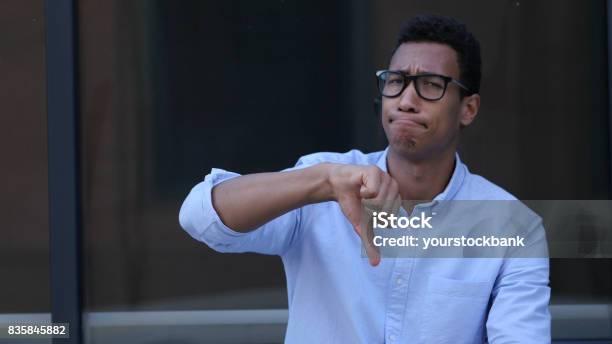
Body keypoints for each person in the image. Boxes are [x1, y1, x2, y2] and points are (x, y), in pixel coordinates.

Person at [179, 14, 551, 343]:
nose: (406, 100)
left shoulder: (512, 226)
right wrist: (322, 182)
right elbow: (200, 218)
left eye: (431, 85)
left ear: (468, 108)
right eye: (396, 81)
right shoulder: (324, 183)